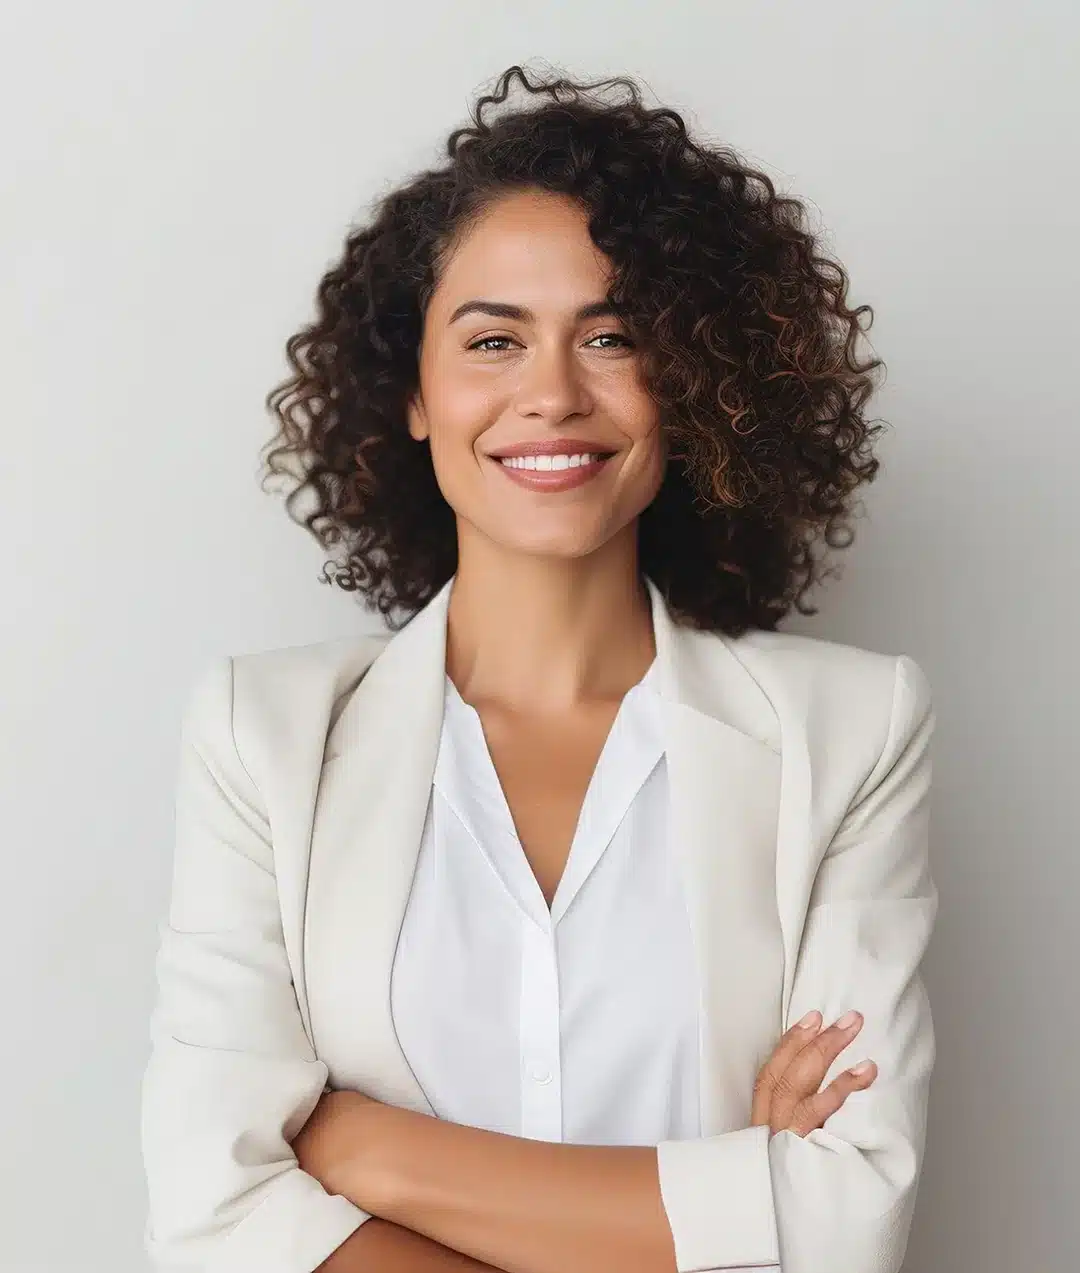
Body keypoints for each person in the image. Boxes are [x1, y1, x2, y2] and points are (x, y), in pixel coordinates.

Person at [140, 65, 937, 1273]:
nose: (553, 393)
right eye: (493, 339)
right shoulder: (266, 734)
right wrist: (733, 1196)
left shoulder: (853, 730)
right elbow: (210, 1218)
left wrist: (372, 1155)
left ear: (694, 386)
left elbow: (844, 1222)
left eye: (612, 336)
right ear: (412, 391)